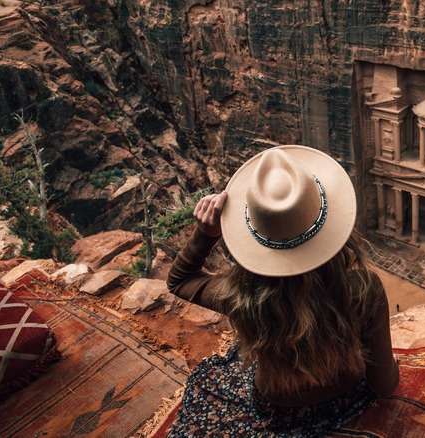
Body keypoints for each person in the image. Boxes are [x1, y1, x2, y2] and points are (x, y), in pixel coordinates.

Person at [167, 145, 399, 436]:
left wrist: (205, 234)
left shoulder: (241, 298)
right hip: (346, 403)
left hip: (274, 406)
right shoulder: (363, 290)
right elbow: (383, 385)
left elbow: (178, 281)